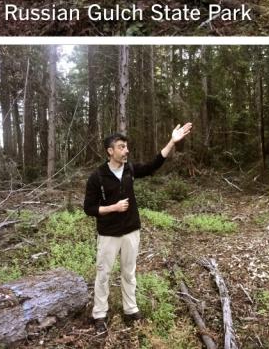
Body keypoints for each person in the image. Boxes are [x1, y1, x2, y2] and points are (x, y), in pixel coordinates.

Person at [82, 123, 192, 334]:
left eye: (126, 147)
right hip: (108, 234)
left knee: (129, 273)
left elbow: (154, 164)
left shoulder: (130, 169)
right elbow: (89, 208)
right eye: (121, 147)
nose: (126, 151)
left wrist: (172, 141)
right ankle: (99, 314)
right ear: (110, 151)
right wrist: (113, 207)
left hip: (131, 230)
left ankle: (130, 309)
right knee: (103, 274)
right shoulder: (97, 176)